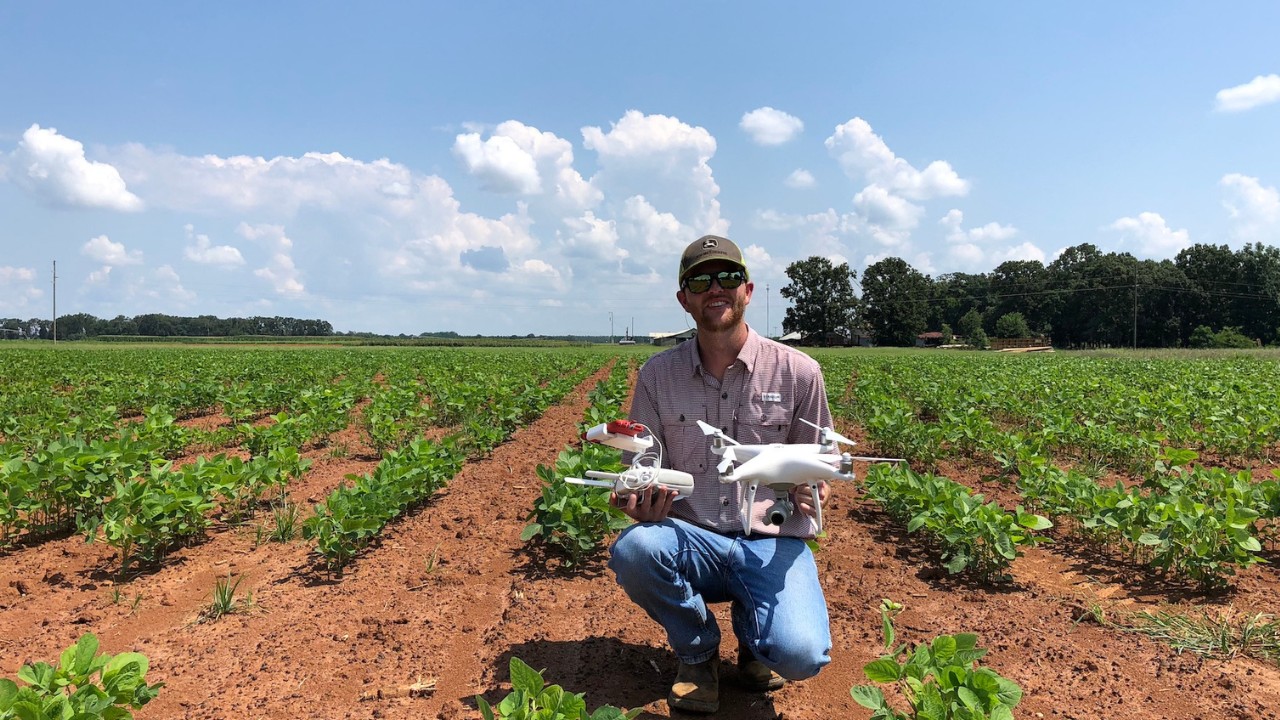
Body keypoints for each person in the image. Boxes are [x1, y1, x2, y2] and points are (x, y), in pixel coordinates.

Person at [608, 234, 834, 714]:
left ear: (747, 290)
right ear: (684, 298)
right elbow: (641, 464)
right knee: (635, 550)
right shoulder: (656, 376)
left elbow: (822, 466)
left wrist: (816, 493)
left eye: (728, 277)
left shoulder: (800, 372)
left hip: (771, 541)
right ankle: (697, 652)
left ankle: (756, 645)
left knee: (800, 654)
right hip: (692, 538)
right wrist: (639, 501)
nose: (716, 288)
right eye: (700, 280)